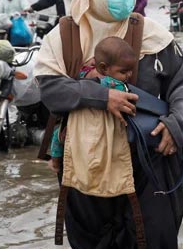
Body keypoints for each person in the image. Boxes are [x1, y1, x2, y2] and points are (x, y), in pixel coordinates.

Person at [35, 0, 183, 249]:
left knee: (150, 240)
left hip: (148, 161)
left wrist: (177, 125)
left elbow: (181, 86)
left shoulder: (154, 36)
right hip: (85, 158)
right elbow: (50, 90)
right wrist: (101, 96)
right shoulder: (64, 36)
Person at [47, 37, 138, 174]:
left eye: (131, 70)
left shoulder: (84, 72)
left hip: (75, 124)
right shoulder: (115, 85)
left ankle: (55, 162)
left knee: (58, 136)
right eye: (123, 72)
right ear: (103, 68)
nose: (129, 75)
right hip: (100, 130)